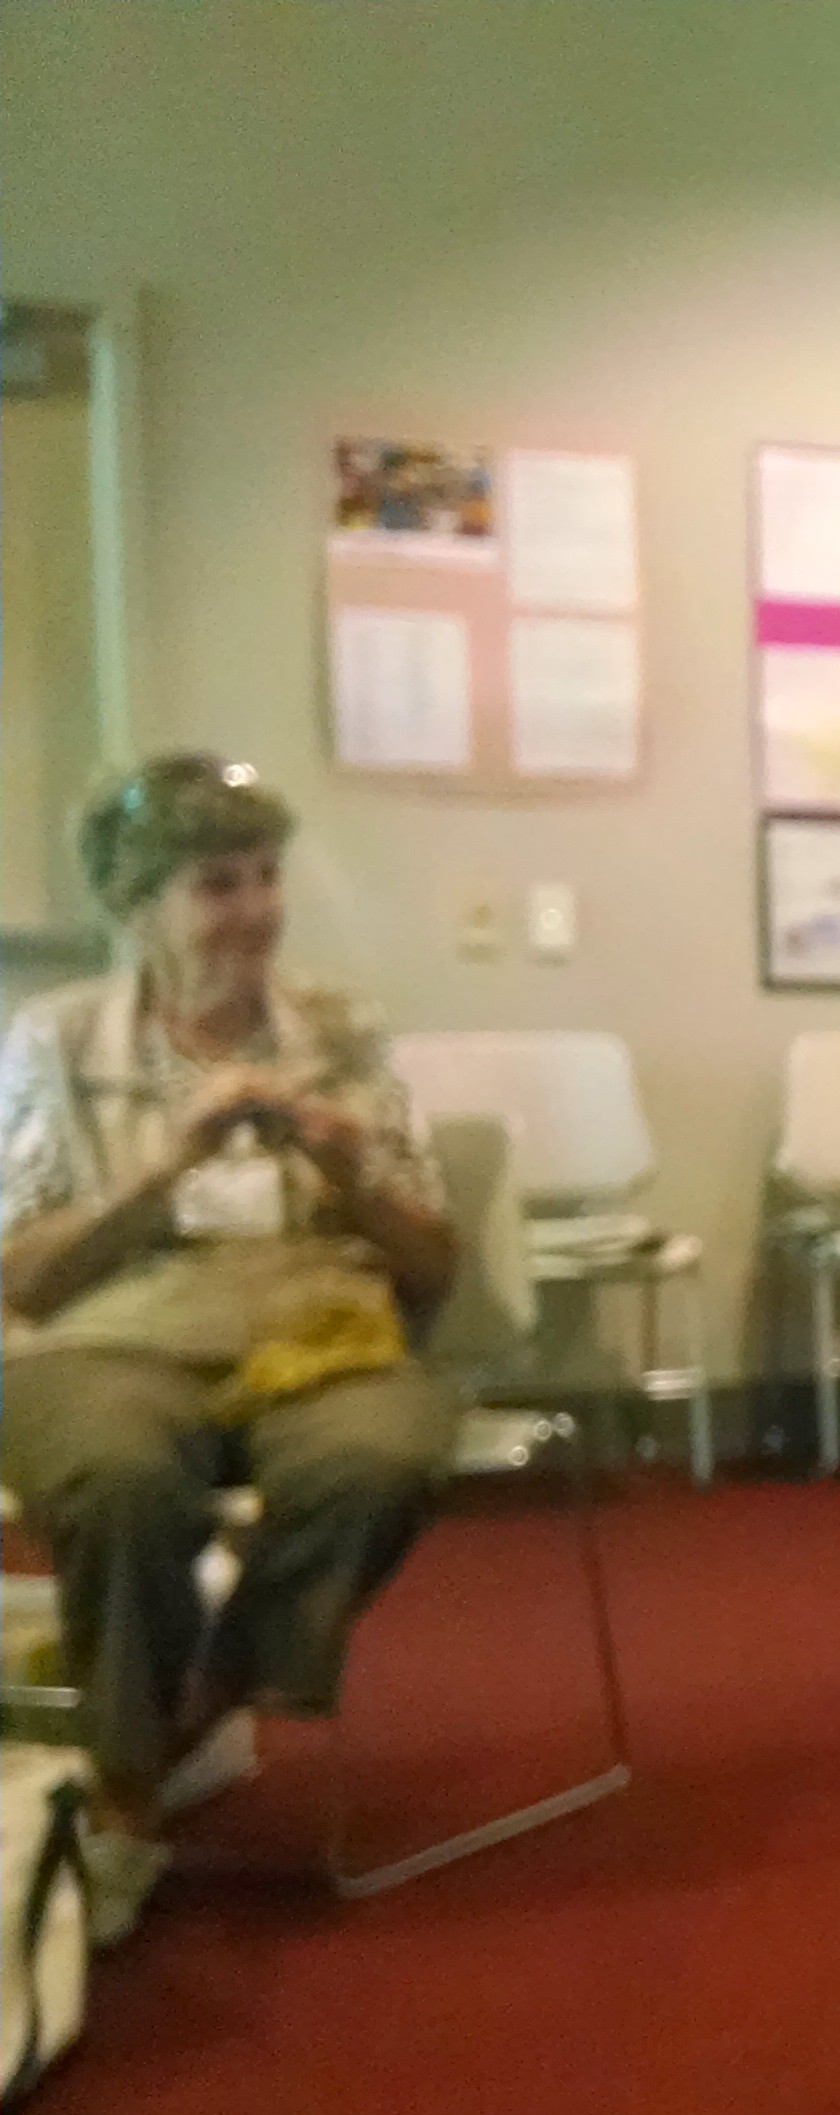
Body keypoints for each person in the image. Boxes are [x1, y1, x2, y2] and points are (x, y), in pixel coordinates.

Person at [0, 756, 461, 1928]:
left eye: (266, 875)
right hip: (109, 1335)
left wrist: (350, 1169)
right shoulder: (55, 1038)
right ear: (137, 905)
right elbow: (27, 1278)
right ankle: (134, 1785)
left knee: (379, 1455)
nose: (257, 909)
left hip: (316, 1329)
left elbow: (433, 1268)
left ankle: (169, 1728)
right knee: (118, 1475)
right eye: (218, 884)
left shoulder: (342, 1032)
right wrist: (167, 1166)